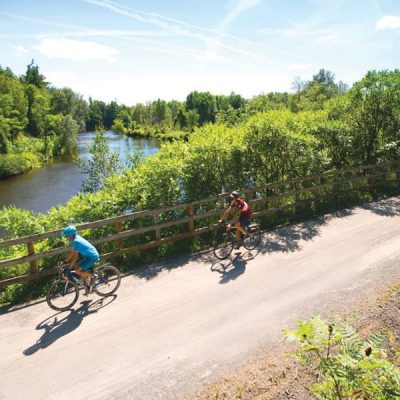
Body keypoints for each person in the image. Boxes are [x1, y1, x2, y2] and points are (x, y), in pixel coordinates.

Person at [61, 225, 100, 290]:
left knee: (77, 270)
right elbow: (72, 252)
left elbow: (75, 257)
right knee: (80, 268)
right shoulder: (75, 239)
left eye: (66, 236)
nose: (65, 237)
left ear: (71, 235)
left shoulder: (76, 241)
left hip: (91, 257)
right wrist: (66, 260)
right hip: (88, 256)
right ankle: (89, 287)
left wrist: (69, 267)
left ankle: (93, 276)